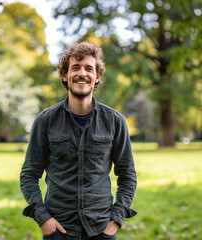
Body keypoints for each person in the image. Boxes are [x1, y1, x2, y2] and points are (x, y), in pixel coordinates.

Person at [20, 42, 137, 240]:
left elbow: (127, 175)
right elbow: (29, 175)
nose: (82, 73)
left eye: (89, 68)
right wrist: (43, 219)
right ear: (64, 75)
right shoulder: (46, 120)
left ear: (97, 76)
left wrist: (115, 220)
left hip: (101, 230)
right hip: (59, 230)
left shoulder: (114, 121)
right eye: (75, 68)